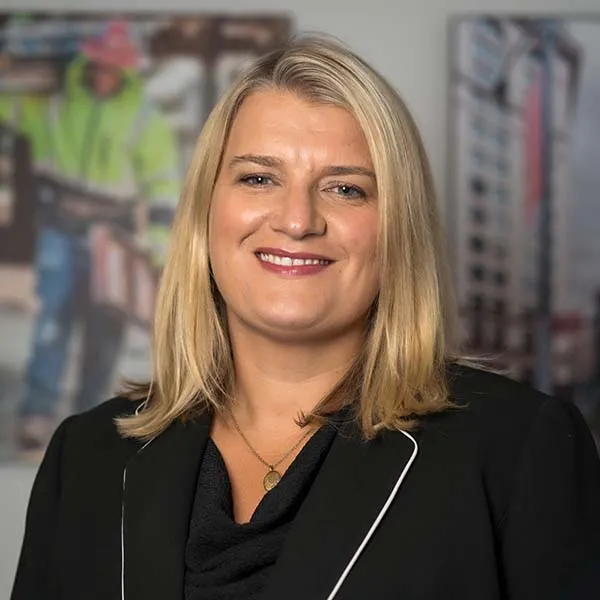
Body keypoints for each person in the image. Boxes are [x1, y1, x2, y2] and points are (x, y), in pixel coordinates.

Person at [11, 35, 600, 600]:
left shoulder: (518, 450)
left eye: (346, 189)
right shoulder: (85, 457)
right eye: (259, 178)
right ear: (205, 212)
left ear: (398, 228)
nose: (297, 220)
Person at [0, 20, 180, 457]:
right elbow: (8, 106)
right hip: (58, 227)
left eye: (114, 68)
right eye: (100, 65)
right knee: (52, 323)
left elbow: (162, 184)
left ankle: (90, 417)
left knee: (104, 329)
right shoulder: (55, 102)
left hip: (113, 236)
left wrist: (157, 239)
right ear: (89, 61)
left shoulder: (144, 119)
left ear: (126, 70)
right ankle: (36, 415)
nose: (105, 75)